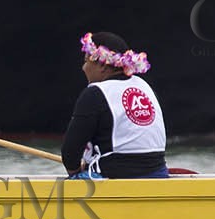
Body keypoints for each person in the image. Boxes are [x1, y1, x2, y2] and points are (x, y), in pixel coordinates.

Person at [61, 32, 168, 179]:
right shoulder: (144, 85)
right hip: (158, 174)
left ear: (103, 66)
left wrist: (75, 173)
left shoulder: (95, 93)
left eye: (87, 61)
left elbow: (70, 154)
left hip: (115, 177)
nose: (83, 68)